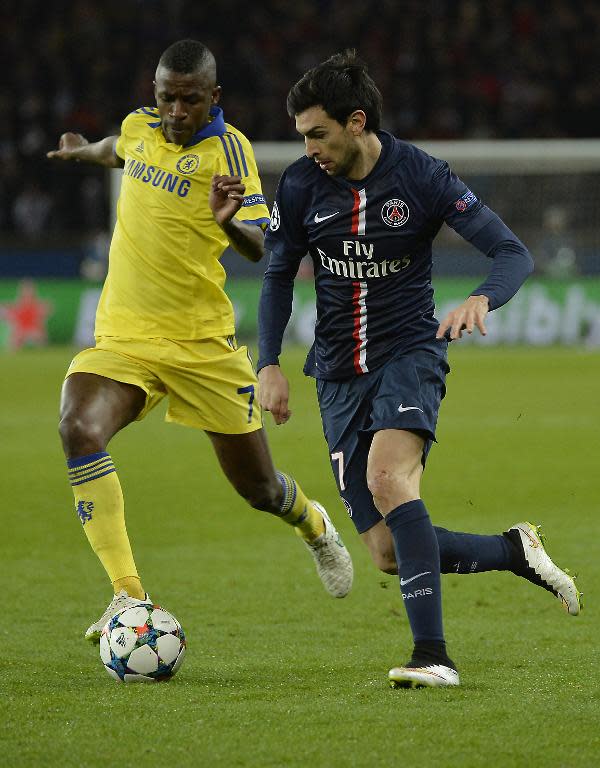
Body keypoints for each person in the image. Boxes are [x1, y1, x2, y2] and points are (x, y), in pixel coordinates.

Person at [257, 50, 581, 689]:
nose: (308, 148)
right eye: (301, 137)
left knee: (388, 476)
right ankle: (513, 550)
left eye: (317, 134)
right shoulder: (298, 187)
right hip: (337, 376)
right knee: (385, 552)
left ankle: (433, 654)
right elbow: (274, 274)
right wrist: (268, 363)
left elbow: (511, 252)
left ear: (356, 122)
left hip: (411, 352)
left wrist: (484, 296)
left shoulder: (422, 177)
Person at [47, 39, 353, 643]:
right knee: (77, 427)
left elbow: (264, 246)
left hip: (202, 346)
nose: (177, 111)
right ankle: (127, 596)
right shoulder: (140, 127)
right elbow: (119, 150)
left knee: (260, 490)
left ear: (213, 97)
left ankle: (314, 524)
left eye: (190, 100)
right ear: (154, 95)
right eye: (167, 98)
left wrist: (227, 223)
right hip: (125, 337)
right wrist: (85, 153)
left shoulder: (229, 152)